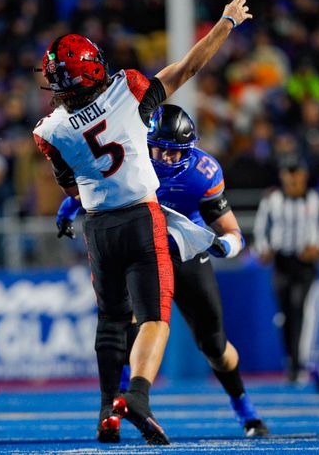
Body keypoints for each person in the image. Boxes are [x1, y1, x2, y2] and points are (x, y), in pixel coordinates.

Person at [33, 0, 252, 444]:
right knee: (154, 317)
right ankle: (137, 397)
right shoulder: (127, 89)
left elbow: (71, 186)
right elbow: (187, 68)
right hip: (141, 219)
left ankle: (105, 414)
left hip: (98, 228)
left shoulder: (49, 130)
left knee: (112, 320)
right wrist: (227, 22)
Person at [57, 104, 268, 437]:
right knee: (124, 323)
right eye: (161, 149)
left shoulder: (202, 172)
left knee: (215, 346)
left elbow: (234, 232)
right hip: (140, 255)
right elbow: (92, 184)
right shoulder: (129, 157)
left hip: (183, 255)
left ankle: (245, 409)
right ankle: (117, 403)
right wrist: (70, 205)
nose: (168, 159)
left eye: (176, 152)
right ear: (146, 142)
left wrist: (224, 245)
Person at [253, 155, 319, 383]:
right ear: (282, 176)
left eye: (296, 172)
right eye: (288, 173)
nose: (292, 178)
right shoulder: (272, 201)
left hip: (305, 263)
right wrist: (264, 249)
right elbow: (262, 231)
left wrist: (318, 247)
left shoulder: (316, 201)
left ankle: (298, 363)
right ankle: (291, 360)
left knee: (299, 307)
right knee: (285, 313)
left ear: (304, 175)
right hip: (281, 261)